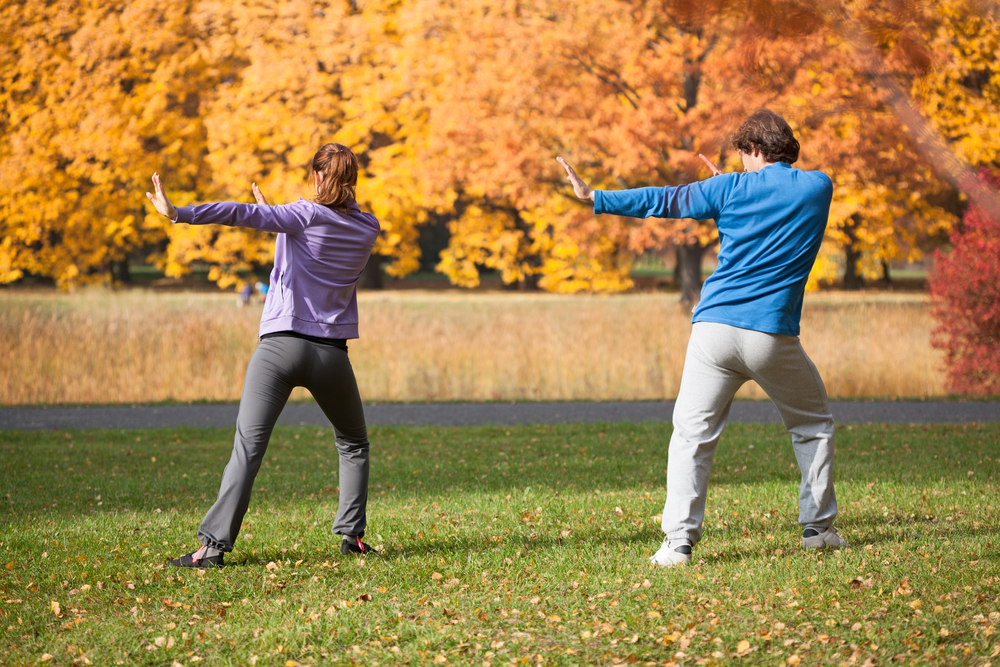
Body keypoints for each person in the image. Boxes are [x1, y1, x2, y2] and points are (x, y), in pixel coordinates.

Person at [558, 109, 847, 567]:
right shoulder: (819, 187)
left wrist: (594, 195)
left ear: (751, 149)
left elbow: (665, 200)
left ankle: (677, 544)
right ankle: (818, 530)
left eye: (743, 155)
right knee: (813, 425)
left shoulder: (727, 189)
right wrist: (731, 187)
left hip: (712, 331)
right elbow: (769, 198)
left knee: (691, 435)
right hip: (771, 334)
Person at [146, 143, 380, 568]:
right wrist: (282, 218)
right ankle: (353, 537)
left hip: (279, 348)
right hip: (331, 355)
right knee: (353, 443)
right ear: (353, 182)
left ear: (315, 177)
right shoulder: (368, 228)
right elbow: (329, 231)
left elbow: (238, 212)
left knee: (248, 449)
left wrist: (177, 212)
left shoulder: (303, 214)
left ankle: (211, 548)